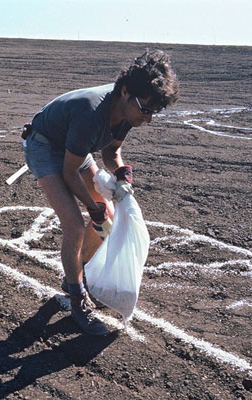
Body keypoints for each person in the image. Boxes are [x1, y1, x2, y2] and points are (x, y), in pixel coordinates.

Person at [23, 50, 179, 335]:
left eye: (154, 112)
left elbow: (111, 150)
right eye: (146, 110)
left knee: (106, 212)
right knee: (75, 225)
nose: (148, 119)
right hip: (45, 146)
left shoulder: (126, 114)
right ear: (124, 92)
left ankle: (75, 274)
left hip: (74, 148)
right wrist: (89, 206)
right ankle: (76, 297)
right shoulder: (91, 113)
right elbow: (69, 173)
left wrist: (121, 174)